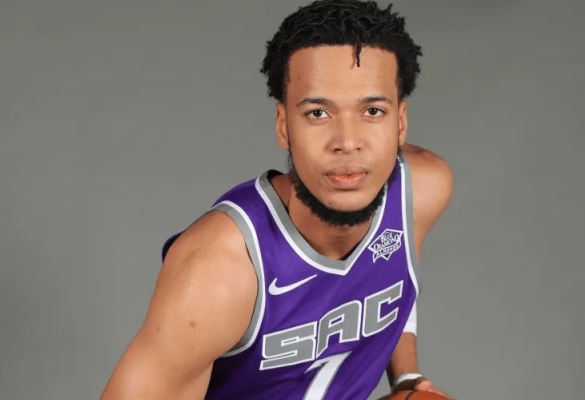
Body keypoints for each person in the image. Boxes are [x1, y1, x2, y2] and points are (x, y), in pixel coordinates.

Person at [100, 1, 454, 399]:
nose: (347, 142)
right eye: (318, 113)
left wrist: (406, 377)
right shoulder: (218, 271)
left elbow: (392, 283)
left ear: (400, 122)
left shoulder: (420, 191)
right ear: (284, 126)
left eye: (372, 110)